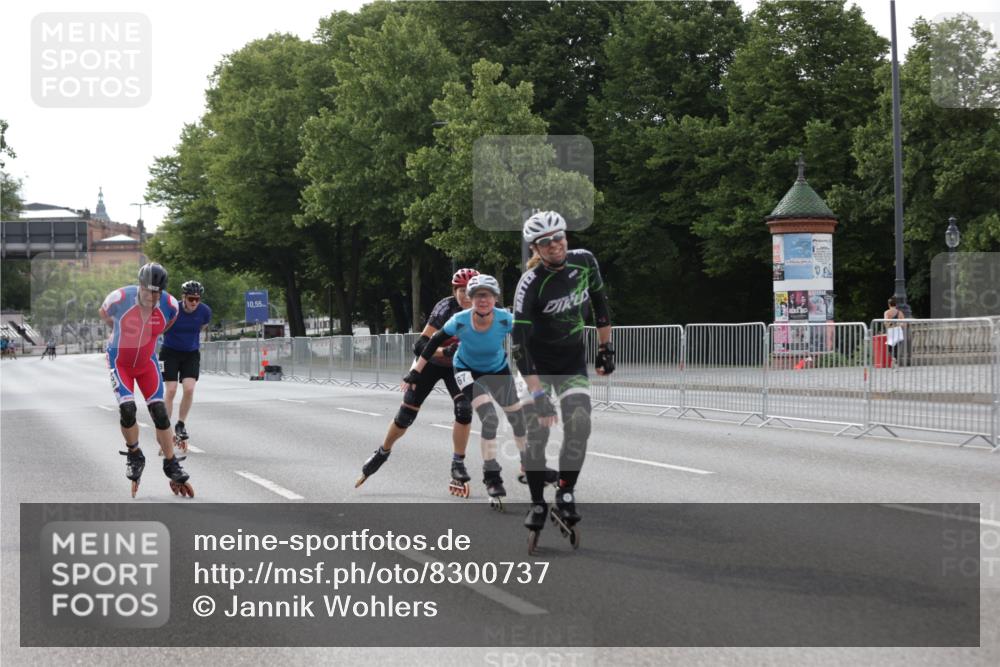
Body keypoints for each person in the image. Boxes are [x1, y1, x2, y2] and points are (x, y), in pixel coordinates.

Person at [513, 210, 614, 538]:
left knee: (580, 424)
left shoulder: (584, 261)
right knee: (536, 432)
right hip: (536, 367)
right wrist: (539, 396)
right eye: (546, 242)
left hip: (570, 361)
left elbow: (600, 304)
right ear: (535, 249)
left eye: (559, 237)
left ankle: (566, 491)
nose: (555, 244)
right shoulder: (530, 283)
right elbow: (520, 347)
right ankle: (537, 502)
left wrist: (605, 348)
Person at [407, 274, 528, 505]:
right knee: (489, 418)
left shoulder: (506, 319)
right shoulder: (459, 320)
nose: (483, 301)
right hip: (467, 370)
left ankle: (526, 463)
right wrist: (416, 371)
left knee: (517, 417)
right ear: (471, 299)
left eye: (489, 296)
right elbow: (431, 342)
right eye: (478, 296)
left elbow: (528, 342)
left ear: (495, 299)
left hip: (497, 368)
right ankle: (491, 476)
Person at [355, 268, 479, 493]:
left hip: (459, 367)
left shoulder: (485, 310)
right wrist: (444, 352)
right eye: (461, 291)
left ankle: (458, 463)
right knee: (406, 416)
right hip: (430, 363)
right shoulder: (445, 308)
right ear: (454, 291)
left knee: (464, 409)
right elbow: (420, 345)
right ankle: (383, 451)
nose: (466, 296)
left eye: (470, 291)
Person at [99, 262, 193, 498]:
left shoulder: (170, 306)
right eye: (146, 290)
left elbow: (165, 326)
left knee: (160, 413)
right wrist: (119, 332)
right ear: (139, 285)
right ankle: (134, 453)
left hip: (146, 364)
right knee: (128, 409)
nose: (150, 296)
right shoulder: (120, 297)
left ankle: (171, 463)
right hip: (119, 361)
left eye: (155, 292)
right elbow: (104, 314)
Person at [159, 280, 212, 445]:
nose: (194, 302)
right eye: (191, 299)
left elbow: (201, 327)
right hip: (170, 352)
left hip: (191, 353)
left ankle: (180, 424)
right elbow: (161, 329)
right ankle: (165, 426)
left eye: (197, 299)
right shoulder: (173, 309)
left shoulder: (205, 311)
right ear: (183, 297)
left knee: (189, 389)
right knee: (171, 390)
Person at [884, 296, 906, 367]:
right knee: (896, 346)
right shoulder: (900, 313)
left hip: (891, 330)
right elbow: (904, 323)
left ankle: (893, 359)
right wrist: (898, 323)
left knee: (889, 345)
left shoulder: (887, 313)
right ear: (896, 305)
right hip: (898, 330)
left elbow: (886, 324)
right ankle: (895, 361)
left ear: (889, 304)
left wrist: (891, 324)